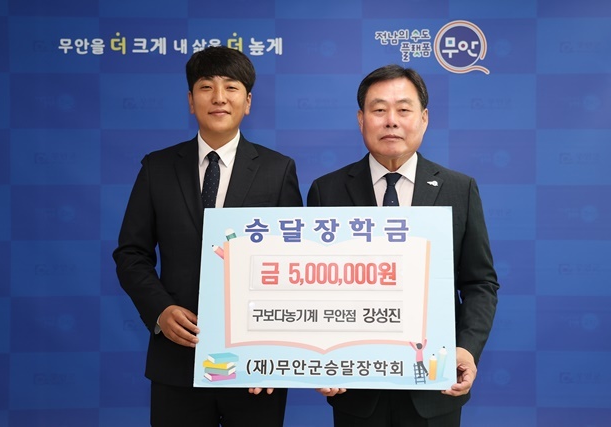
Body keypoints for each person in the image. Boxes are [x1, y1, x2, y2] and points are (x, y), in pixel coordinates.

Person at [113, 46, 302, 427]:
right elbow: (131, 253)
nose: (219, 97)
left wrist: (276, 351)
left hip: (254, 363)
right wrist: (160, 311)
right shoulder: (157, 167)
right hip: (177, 358)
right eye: (206, 87)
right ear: (190, 100)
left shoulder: (277, 170)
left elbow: (293, 265)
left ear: (247, 102)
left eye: (231, 87)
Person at [308, 64, 499, 427]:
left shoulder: (459, 189)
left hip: (435, 387)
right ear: (361, 119)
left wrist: (465, 349)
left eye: (403, 109)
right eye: (379, 110)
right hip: (355, 387)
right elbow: (312, 288)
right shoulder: (327, 190)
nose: (391, 121)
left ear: (424, 119)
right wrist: (320, 357)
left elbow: (480, 283)